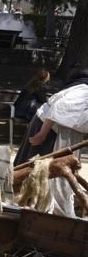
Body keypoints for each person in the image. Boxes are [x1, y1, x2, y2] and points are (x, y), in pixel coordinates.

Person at [26, 68, 88, 217]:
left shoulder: (80, 88)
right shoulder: (84, 91)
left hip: (53, 127)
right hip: (51, 130)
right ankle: (41, 208)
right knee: (47, 170)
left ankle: (40, 206)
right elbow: (59, 108)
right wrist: (42, 134)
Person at [13, 69, 54, 165]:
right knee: (42, 111)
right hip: (28, 112)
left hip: (19, 110)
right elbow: (43, 101)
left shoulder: (30, 84)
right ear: (45, 77)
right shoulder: (40, 86)